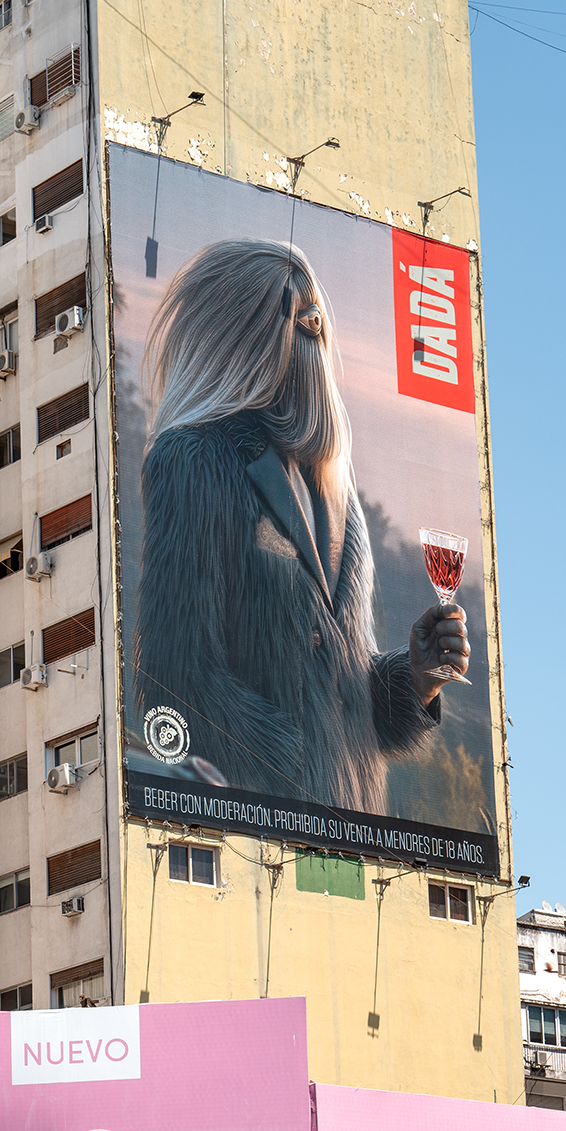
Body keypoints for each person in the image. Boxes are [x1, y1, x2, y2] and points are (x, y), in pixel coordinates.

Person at [125, 239, 472, 818]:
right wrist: (293, 771)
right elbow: (175, 681)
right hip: (255, 837)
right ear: (240, 331)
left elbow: (343, 693)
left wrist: (416, 676)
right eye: (289, 308)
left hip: (356, 837)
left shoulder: (337, 494)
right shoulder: (192, 459)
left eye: (315, 312)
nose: (312, 323)